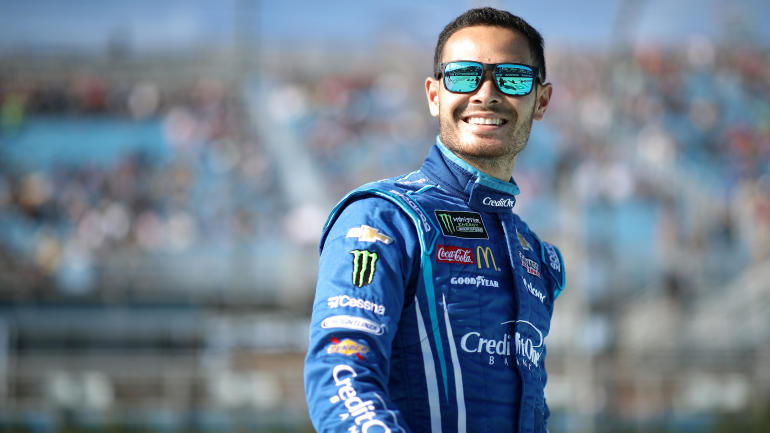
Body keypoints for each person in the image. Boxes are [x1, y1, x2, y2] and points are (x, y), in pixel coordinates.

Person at [304, 7, 564, 433]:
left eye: (513, 78)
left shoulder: (536, 255)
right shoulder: (384, 219)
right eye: (463, 76)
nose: (486, 93)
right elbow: (341, 373)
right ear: (433, 94)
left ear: (542, 101)